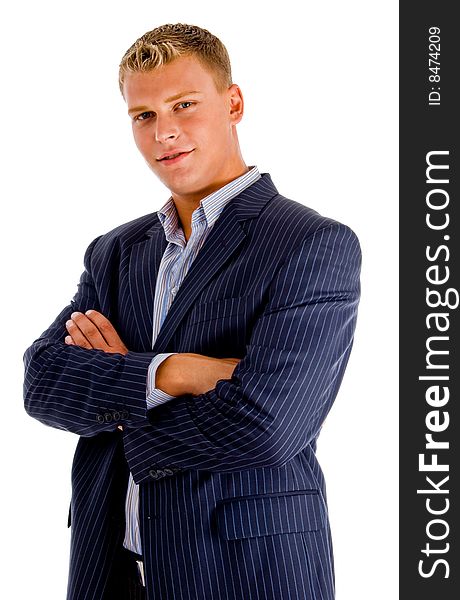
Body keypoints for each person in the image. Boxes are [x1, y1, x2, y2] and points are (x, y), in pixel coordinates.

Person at [23, 23, 361, 600]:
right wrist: (174, 371)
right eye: (144, 115)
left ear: (233, 103)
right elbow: (42, 382)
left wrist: (117, 393)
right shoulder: (117, 252)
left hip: (243, 569)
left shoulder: (311, 243)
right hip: (111, 565)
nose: (165, 132)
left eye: (184, 105)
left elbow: (269, 427)